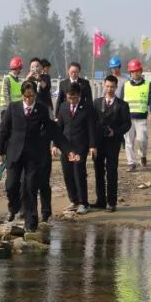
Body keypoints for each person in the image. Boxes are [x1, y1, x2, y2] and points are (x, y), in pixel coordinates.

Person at [0, 80, 70, 229]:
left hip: (32, 155)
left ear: (35, 94)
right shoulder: (13, 108)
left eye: (31, 96)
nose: (28, 100)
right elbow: (4, 130)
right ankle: (14, 207)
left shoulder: (41, 109)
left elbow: (52, 129)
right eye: (26, 97)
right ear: (22, 95)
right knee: (11, 185)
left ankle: (31, 222)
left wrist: (68, 149)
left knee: (30, 188)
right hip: (14, 153)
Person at [54, 82, 98, 214]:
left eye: (74, 98)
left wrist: (92, 146)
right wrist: (55, 145)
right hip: (66, 147)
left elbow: (91, 128)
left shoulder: (87, 108)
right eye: (69, 98)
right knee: (67, 173)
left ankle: (84, 203)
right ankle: (74, 200)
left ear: (79, 95)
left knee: (78, 172)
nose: (72, 100)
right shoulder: (63, 107)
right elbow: (59, 128)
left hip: (80, 146)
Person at [93, 74, 132, 211]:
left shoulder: (122, 105)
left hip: (113, 142)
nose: (109, 89)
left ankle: (112, 202)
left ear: (116, 87)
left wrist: (115, 132)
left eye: (112, 87)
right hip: (98, 143)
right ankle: (100, 201)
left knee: (111, 171)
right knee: (98, 171)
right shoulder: (96, 103)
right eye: (107, 86)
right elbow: (91, 122)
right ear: (104, 85)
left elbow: (127, 124)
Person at [115, 58, 151, 172]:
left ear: (141, 71)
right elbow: (121, 101)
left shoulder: (148, 85)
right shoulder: (126, 85)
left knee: (142, 139)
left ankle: (143, 155)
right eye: (132, 71)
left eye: (137, 71)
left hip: (141, 118)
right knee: (128, 142)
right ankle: (131, 163)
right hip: (128, 119)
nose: (135, 73)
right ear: (130, 72)